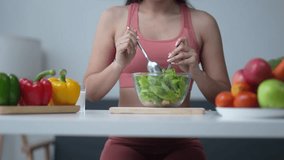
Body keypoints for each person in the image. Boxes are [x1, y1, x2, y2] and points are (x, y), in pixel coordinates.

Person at [84, 0, 231, 159]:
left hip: (182, 142)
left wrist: (196, 72)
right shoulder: (113, 17)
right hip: (124, 141)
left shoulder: (204, 23)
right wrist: (118, 64)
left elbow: (223, 97)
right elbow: (91, 93)